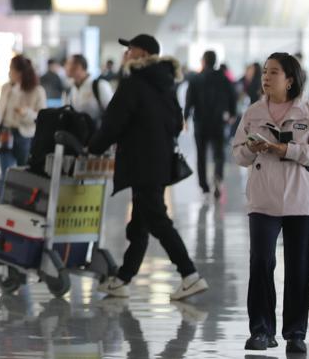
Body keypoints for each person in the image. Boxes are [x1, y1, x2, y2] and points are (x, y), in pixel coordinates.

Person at [90, 34, 207, 301]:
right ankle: (122, 279)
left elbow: (113, 122)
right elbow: (177, 123)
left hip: (141, 163)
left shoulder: (133, 84)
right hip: (160, 162)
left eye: (129, 49)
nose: (126, 54)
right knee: (140, 223)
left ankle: (190, 275)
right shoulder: (165, 83)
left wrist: (93, 147)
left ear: (141, 53)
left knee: (157, 220)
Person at [232, 52, 309, 354]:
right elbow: (237, 153)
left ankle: (295, 333)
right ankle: (261, 330)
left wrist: (285, 148)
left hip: (302, 200)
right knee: (261, 262)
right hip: (263, 199)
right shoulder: (253, 113)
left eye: (273, 72)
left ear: (290, 80)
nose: (265, 77)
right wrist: (252, 148)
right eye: (264, 71)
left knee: (299, 267)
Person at [184, 50, 238, 198]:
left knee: (201, 155)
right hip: (218, 122)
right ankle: (218, 177)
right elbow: (232, 95)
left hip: (200, 122)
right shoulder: (223, 78)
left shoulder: (196, 79)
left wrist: (185, 117)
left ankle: (204, 186)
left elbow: (189, 100)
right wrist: (232, 113)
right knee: (219, 153)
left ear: (203, 61)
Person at [0, 55, 46, 188]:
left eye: (11, 69)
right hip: (6, 133)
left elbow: (41, 116)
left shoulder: (37, 91)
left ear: (20, 72)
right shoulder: (6, 88)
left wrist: (26, 113)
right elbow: (1, 110)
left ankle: (22, 205)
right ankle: (3, 205)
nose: (9, 72)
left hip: (24, 134)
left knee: (24, 174)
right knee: (5, 174)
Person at [63, 53, 113, 124]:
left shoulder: (100, 85)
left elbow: (112, 113)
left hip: (99, 131)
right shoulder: (69, 90)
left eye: (68, 64)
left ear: (78, 66)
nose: (65, 67)